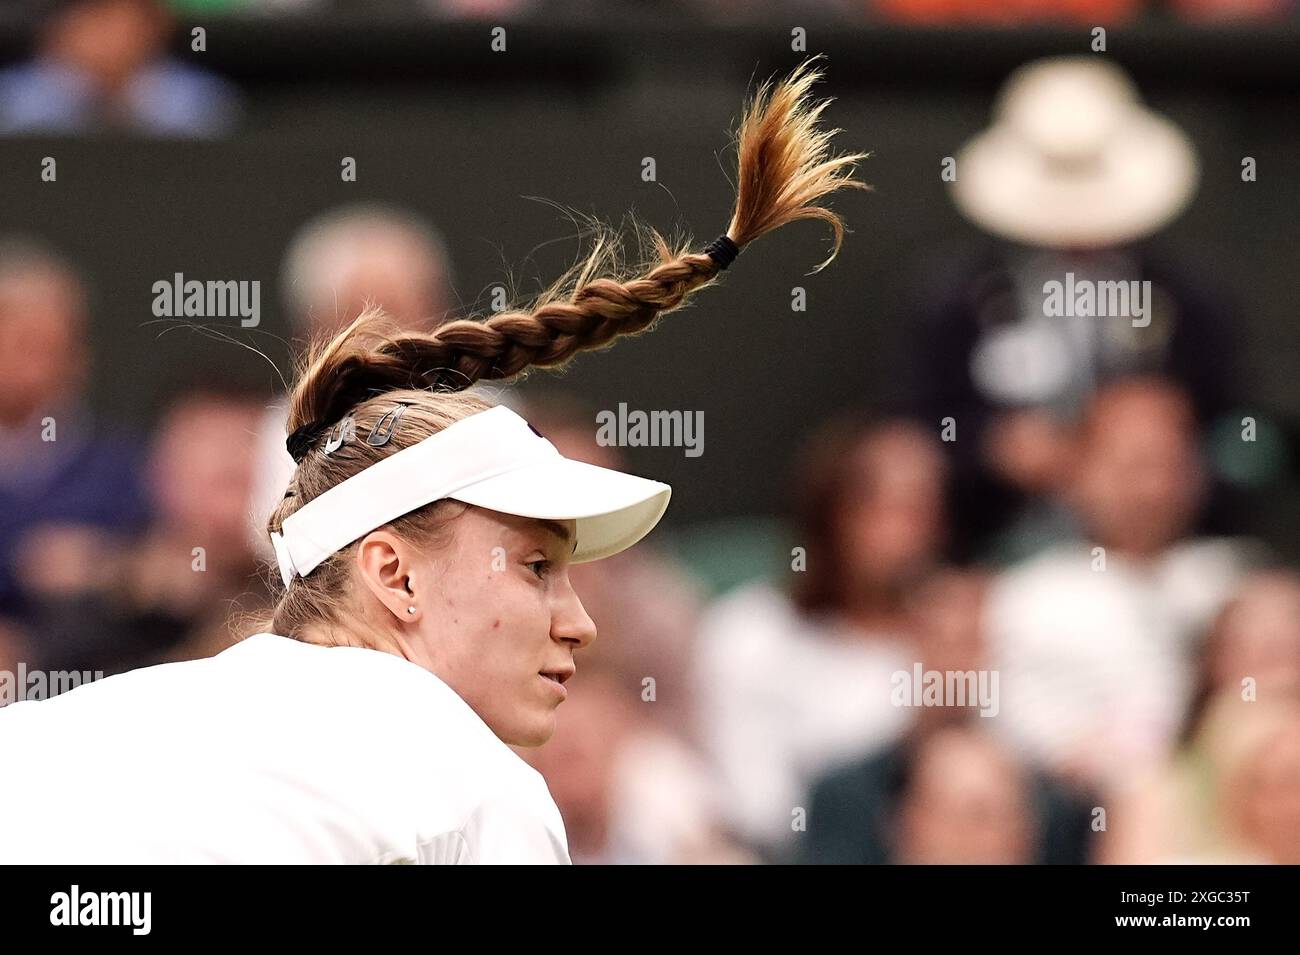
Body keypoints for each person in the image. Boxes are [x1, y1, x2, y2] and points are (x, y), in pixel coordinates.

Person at [0, 57, 868, 864]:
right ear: (393, 574)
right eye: (535, 566)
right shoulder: (475, 792)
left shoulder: (57, 736)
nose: (580, 623)